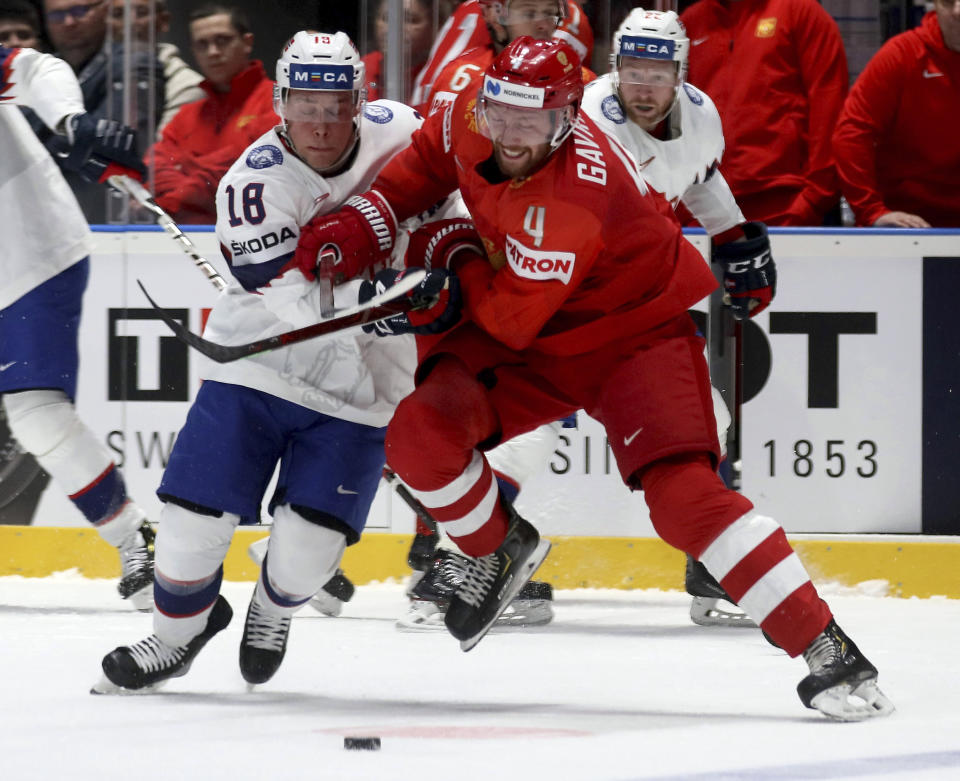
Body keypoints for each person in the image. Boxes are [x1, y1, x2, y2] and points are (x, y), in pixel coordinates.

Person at [293, 36, 894, 721]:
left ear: (570, 117)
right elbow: (429, 162)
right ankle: (499, 548)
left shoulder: (574, 196)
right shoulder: (470, 108)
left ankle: (826, 644)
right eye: (501, 114)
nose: (511, 135)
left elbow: (508, 317)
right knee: (418, 436)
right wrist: (364, 220)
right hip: (537, 329)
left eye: (533, 122)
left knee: (684, 500)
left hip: (632, 338)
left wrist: (451, 254)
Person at [94, 30, 449, 692]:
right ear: (282, 102)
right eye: (304, 104)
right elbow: (293, 300)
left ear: (360, 101)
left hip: (366, 386)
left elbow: (452, 196)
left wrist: (450, 256)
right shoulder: (253, 183)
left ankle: (271, 604)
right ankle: (175, 637)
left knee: (307, 560)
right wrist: (388, 296)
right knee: (189, 529)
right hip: (258, 366)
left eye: (334, 103)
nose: (319, 121)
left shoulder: (402, 131)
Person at [582, 7, 766, 628]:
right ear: (615, 70)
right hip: (559, 295)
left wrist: (736, 238)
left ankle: (711, 563)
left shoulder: (702, 113)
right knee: (515, 426)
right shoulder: (590, 119)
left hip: (629, 301)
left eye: (656, 70)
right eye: (631, 68)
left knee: (699, 419)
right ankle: (454, 562)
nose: (643, 84)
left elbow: (698, 176)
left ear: (679, 73)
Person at [0, 44, 154, 609]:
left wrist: (71, 118)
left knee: (37, 415)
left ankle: (132, 537)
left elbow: (32, 68)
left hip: (28, 255)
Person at [679, 0, 848, 226]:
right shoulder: (691, 22)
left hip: (786, 206)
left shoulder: (801, 13)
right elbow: (672, 120)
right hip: (706, 211)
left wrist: (812, 201)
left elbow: (829, 111)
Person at [832, 0, 960, 228]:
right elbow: (851, 133)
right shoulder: (902, 54)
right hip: (904, 222)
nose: (958, 10)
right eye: (949, 1)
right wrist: (871, 210)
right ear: (935, 5)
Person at [144, 3, 276, 224]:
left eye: (222, 40)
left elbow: (242, 172)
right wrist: (198, 185)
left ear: (247, 42)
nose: (212, 52)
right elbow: (152, 168)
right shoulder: (186, 115)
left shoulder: (279, 103)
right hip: (184, 240)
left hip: (257, 238)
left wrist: (178, 190)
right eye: (202, 44)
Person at [38, 0, 165, 222]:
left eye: (79, 11)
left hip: (108, 217)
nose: (69, 22)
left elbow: (105, 142)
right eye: (57, 16)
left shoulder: (134, 62)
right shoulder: (40, 71)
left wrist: (36, 151)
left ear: (104, 11)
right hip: (42, 216)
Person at [411, 0, 593, 111]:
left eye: (549, 13)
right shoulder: (461, 82)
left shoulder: (582, 81)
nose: (543, 25)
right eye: (529, 13)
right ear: (494, 17)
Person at [107, 0, 205, 135]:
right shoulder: (91, 73)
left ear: (163, 20)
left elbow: (157, 151)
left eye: (141, 13)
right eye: (118, 14)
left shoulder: (187, 86)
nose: (130, 22)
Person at [361, 0, 437, 103]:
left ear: (434, 28)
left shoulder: (437, 74)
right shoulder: (361, 68)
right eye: (386, 18)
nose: (393, 28)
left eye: (410, 20)